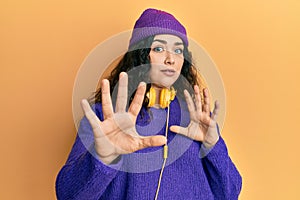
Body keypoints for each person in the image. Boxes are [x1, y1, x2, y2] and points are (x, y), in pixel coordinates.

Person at [56, 8, 242, 200]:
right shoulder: (103, 117)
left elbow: (230, 193)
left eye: (178, 50)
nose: (170, 59)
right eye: (159, 49)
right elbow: (68, 195)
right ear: (141, 55)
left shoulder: (196, 118)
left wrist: (213, 145)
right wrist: (102, 159)